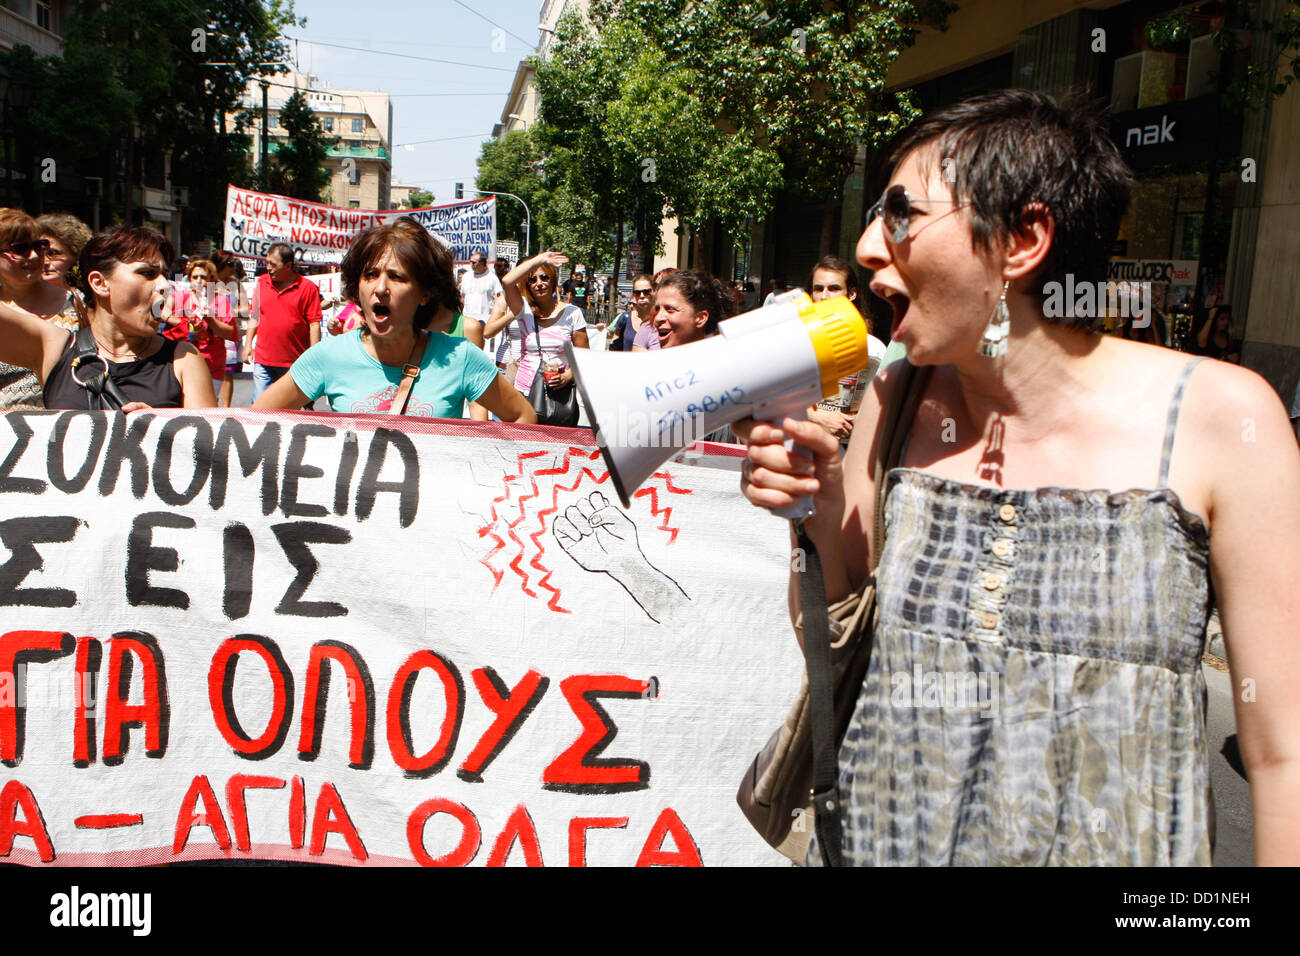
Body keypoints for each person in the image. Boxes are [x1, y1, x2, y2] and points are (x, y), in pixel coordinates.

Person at [736, 90, 1300, 866]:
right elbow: (832, 653)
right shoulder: (896, 399)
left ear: (1023, 239)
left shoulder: (1223, 417)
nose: (868, 247)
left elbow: (1282, 753)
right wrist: (818, 511)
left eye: (901, 214)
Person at [253, 218, 535, 423]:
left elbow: (524, 417)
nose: (380, 288)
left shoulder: (459, 357)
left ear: (424, 294)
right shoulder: (328, 356)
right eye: (370, 275)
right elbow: (249, 423)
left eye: (397, 277)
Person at [0, 224, 214, 409]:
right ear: (100, 283)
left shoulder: (184, 359)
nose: (165, 285)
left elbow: (205, 449)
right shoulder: (53, 347)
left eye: (165, 275)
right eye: (147, 273)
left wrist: (158, 426)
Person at [0, 208, 86, 409]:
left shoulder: (76, 302)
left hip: (57, 427)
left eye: (39, 246)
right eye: (19, 249)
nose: (33, 256)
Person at [805, 255, 887, 443]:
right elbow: (771, 401)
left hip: (852, 451)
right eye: (818, 289)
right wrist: (817, 417)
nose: (825, 296)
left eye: (834, 288)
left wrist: (859, 421)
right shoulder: (794, 344)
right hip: (801, 446)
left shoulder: (873, 349)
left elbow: (884, 406)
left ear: (851, 294)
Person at [500, 251, 589, 397]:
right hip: (525, 391)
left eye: (544, 277)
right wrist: (539, 259)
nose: (539, 283)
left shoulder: (573, 313)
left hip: (558, 393)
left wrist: (567, 376)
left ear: (552, 280)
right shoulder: (524, 311)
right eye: (532, 280)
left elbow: (585, 355)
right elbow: (507, 282)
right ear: (528, 286)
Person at [245, 243, 321, 399]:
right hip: (263, 360)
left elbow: (314, 324)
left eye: (273, 264)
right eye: (266, 263)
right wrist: (247, 345)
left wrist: (314, 356)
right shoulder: (262, 283)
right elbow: (255, 316)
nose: (268, 267)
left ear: (288, 265)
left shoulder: (308, 288)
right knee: (260, 406)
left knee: (289, 411)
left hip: (294, 363)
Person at [174, 258, 238, 402]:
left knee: (207, 404)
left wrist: (211, 320)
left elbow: (229, 333)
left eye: (203, 277)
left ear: (211, 279)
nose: (199, 280)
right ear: (189, 279)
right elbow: (165, 316)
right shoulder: (180, 298)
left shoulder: (219, 300)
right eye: (195, 277)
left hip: (213, 362)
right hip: (186, 361)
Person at [37, 213, 92, 294]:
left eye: (53, 254)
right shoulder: (18, 299)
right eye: (39, 253)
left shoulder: (84, 300)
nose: (45, 262)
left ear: (74, 256)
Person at [607, 274, 655, 352]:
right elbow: (614, 345)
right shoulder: (624, 318)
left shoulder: (661, 319)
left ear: (654, 291)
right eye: (637, 293)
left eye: (646, 292)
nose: (642, 296)